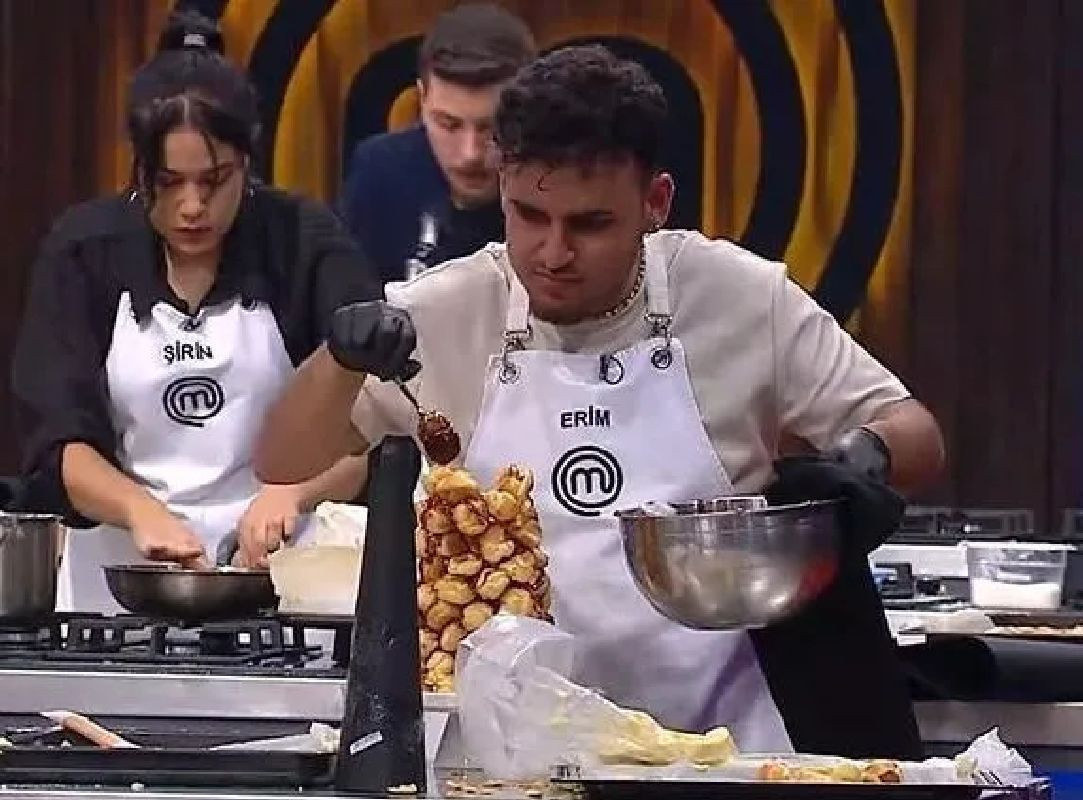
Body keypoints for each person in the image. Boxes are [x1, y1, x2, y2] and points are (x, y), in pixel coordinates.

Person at [255, 46, 945, 758]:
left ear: (656, 202)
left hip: (723, 750)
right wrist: (339, 360)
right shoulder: (446, 311)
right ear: (502, 185)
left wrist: (867, 455)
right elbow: (282, 459)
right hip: (507, 756)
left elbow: (914, 432)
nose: (552, 252)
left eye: (590, 224)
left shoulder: (742, 297)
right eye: (529, 215)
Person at [10, 10, 379, 612]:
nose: (191, 206)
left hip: (285, 578)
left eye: (214, 180)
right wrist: (140, 510)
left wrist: (294, 492)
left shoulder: (306, 244)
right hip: (120, 584)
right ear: (138, 169)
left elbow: (372, 425)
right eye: (169, 181)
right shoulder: (84, 251)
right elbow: (56, 444)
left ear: (247, 162)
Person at [339, 3, 535, 284]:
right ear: (422, 98)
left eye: (492, 128)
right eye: (448, 124)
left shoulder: (561, 185)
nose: (470, 153)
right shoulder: (379, 173)